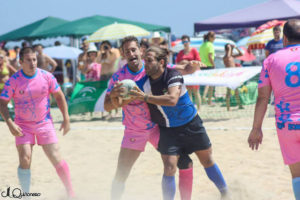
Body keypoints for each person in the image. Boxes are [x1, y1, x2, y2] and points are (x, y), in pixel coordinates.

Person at [104, 36, 201, 200]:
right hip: (134, 132)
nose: (131, 53)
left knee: (185, 163)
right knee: (121, 174)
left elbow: (179, 68)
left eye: (134, 49)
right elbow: (107, 106)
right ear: (123, 54)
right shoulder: (118, 78)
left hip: (157, 128)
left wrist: (191, 67)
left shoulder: (152, 67)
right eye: (127, 51)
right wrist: (113, 95)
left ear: (141, 50)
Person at [130, 46, 229, 200]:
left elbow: (172, 99)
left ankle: (225, 193)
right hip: (169, 130)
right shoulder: (144, 84)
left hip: (192, 125)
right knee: (169, 167)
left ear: (161, 62)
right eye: (145, 61)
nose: (145, 64)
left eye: (149, 61)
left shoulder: (172, 75)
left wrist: (145, 98)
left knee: (207, 160)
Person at [0, 47, 75, 198]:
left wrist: (66, 118)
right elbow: (2, 103)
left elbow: (59, 96)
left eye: (34, 59)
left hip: (44, 123)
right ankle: (26, 195)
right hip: (23, 125)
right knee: (25, 157)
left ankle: (71, 193)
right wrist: (9, 123)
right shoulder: (14, 80)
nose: (32, 63)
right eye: (28, 60)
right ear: (20, 62)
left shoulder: (46, 76)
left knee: (55, 156)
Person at [248, 19, 300, 200]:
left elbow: (263, 97)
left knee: (297, 175)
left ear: (284, 38)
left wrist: (256, 129)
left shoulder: (270, 60)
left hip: (286, 125)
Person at [176, 35, 202, 111]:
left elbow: (198, 62)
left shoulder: (194, 50)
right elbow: (177, 63)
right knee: (188, 92)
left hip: (194, 73)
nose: (185, 43)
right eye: (183, 42)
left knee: (196, 91)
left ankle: (199, 109)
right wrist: (182, 63)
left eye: (186, 41)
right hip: (185, 74)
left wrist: (187, 62)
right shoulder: (181, 52)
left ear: (189, 42)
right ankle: (191, 109)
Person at [223, 44, 244, 111]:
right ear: (227, 50)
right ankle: (228, 107)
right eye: (230, 49)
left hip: (234, 75)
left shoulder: (231, 56)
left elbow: (241, 54)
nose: (231, 51)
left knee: (236, 91)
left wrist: (236, 48)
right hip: (229, 76)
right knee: (228, 92)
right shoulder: (226, 57)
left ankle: (240, 105)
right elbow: (228, 56)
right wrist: (229, 48)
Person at [199, 31, 216, 105]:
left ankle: (208, 100)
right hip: (209, 66)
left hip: (202, 66)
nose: (215, 38)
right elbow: (210, 56)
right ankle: (205, 97)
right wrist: (213, 65)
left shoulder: (202, 45)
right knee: (210, 83)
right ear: (210, 37)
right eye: (214, 37)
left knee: (207, 82)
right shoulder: (210, 45)